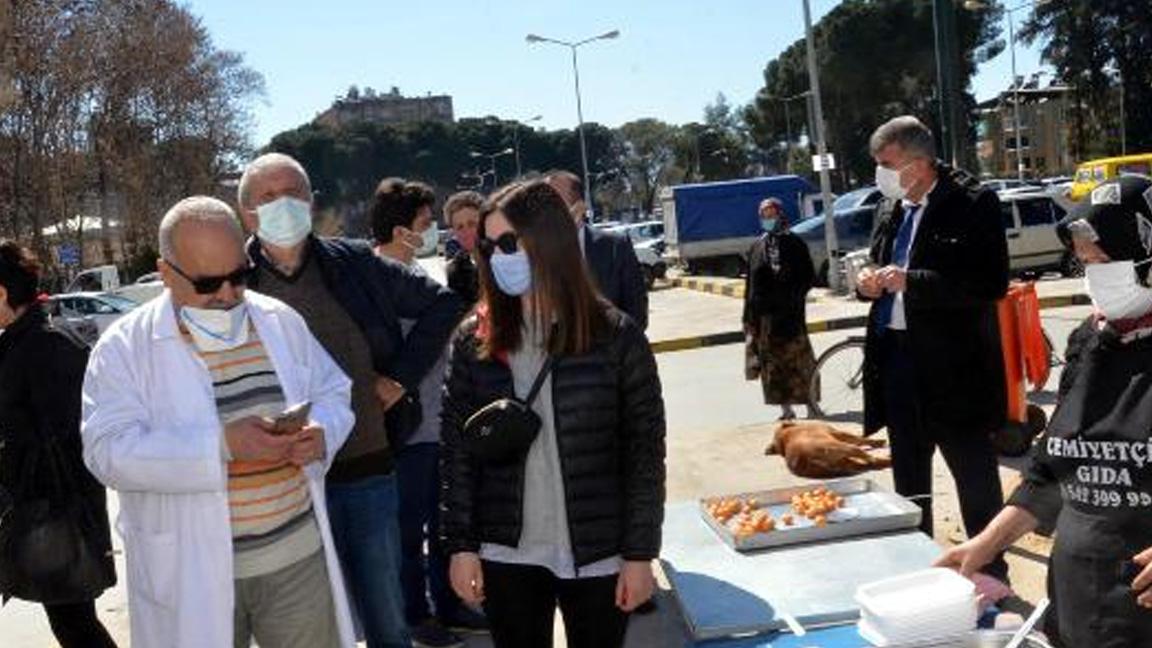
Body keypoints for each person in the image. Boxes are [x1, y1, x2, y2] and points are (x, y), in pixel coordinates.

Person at [80, 197, 357, 647]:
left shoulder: (278, 321)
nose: (228, 295)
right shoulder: (123, 349)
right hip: (190, 570)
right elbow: (106, 451)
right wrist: (219, 446)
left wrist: (322, 431)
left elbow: (333, 392)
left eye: (239, 276)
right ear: (166, 273)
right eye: (209, 282)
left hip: (295, 560)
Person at [236, 153, 464, 648]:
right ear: (246, 213)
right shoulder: (234, 281)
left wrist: (400, 378)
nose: (284, 205)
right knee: (313, 626)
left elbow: (443, 305)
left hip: (366, 468)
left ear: (312, 202)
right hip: (281, 486)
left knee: (386, 614)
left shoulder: (355, 264)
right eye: (268, 197)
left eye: (294, 193)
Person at [441, 180, 666, 648]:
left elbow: (644, 454)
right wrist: (461, 547)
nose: (498, 256)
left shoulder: (616, 336)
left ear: (549, 242)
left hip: (600, 553)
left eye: (509, 242)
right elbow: (457, 454)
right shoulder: (472, 341)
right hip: (505, 552)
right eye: (490, 244)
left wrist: (640, 554)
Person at [937, 175, 1152, 647]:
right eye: (1086, 260)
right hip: (1078, 597)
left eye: (1106, 258)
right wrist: (986, 544)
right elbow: (1051, 472)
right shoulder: (1090, 342)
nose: (1094, 272)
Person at [856, 116, 1009, 579]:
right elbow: (880, 262)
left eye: (886, 163)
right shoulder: (893, 207)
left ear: (919, 163)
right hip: (898, 359)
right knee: (909, 474)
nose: (880, 173)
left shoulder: (972, 203)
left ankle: (988, 568)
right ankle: (918, 561)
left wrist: (911, 282)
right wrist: (868, 281)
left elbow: (989, 284)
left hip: (955, 367)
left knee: (973, 472)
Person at [372, 178, 487, 648]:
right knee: (407, 532)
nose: (432, 230)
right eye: (424, 223)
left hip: (443, 421)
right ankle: (417, 616)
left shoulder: (423, 274)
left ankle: (450, 603)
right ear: (402, 230)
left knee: (445, 525)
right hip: (408, 432)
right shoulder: (376, 282)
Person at [0, 241, 117, 648]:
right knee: (72, 623)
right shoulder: (22, 340)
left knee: (74, 624)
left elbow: (64, 437)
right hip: (41, 512)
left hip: (56, 516)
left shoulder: (46, 344)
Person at [742, 197, 817, 421]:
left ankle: (811, 406)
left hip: (791, 314)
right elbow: (751, 285)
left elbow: (807, 277)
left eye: (771, 214)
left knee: (800, 363)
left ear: (781, 215)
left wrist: (791, 298)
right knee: (772, 367)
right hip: (765, 318)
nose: (768, 219)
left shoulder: (795, 243)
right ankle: (785, 410)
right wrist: (748, 316)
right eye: (764, 216)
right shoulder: (757, 246)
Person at [545, 170, 649, 330]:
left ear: (579, 208)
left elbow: (637, 311)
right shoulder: (536, 254)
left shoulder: (615, 247)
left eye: (556, 204)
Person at [443, 190, 483, 307]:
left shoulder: (504, 260)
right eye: (459, 227)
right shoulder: (455, 270)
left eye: (472, 224)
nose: (466, 232)